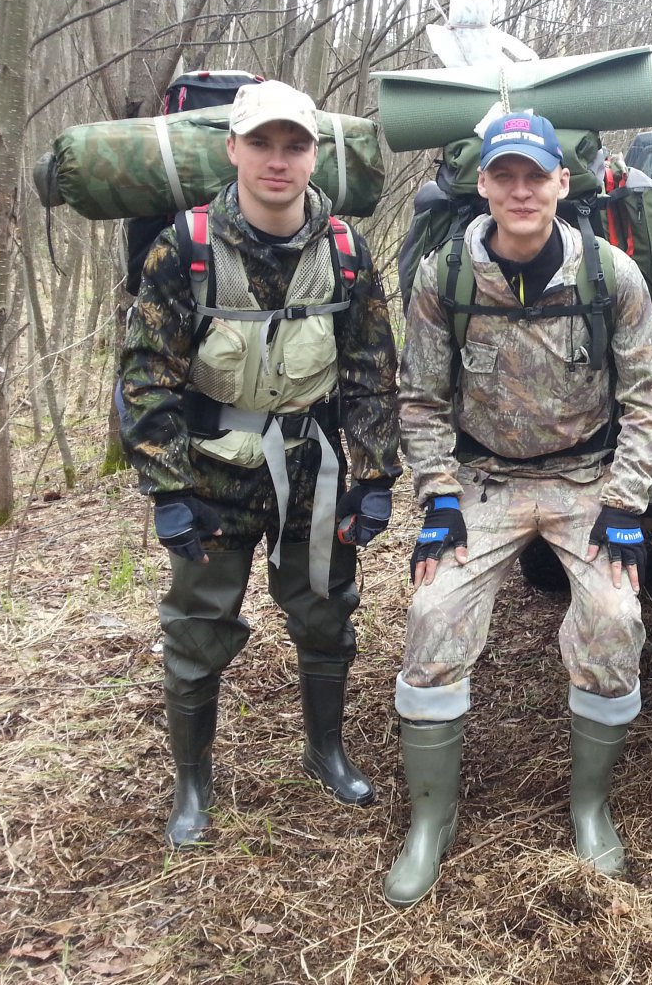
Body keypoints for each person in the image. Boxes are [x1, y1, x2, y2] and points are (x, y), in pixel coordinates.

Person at [385, 111, 652, 908]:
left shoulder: (609, 276)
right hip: (483, 479)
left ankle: (590, 809)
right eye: (505, 175)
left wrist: (625, 502)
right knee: (432, 613)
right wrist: (438, 498)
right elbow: (420, 398)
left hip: (585, 478)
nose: (521, 191)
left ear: (560, 182)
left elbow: (651, 400)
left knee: (615, 618)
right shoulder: (446, 277)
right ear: (483, 184)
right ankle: (431, 821)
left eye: (535, 176)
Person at [120, 79, 402, 849]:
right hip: (212, 472)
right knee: (197, 627)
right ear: (233, 149)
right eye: (262, 143)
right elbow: (146, 373)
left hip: (314, 468)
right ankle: (193, 783)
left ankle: (325, 751)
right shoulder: (185, 247)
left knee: (326, 612)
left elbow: (372, 371)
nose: (278, 160)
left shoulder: (345, 252)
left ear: (314, 157)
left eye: (294, 145)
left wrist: (374, 478)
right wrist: (168, 490)